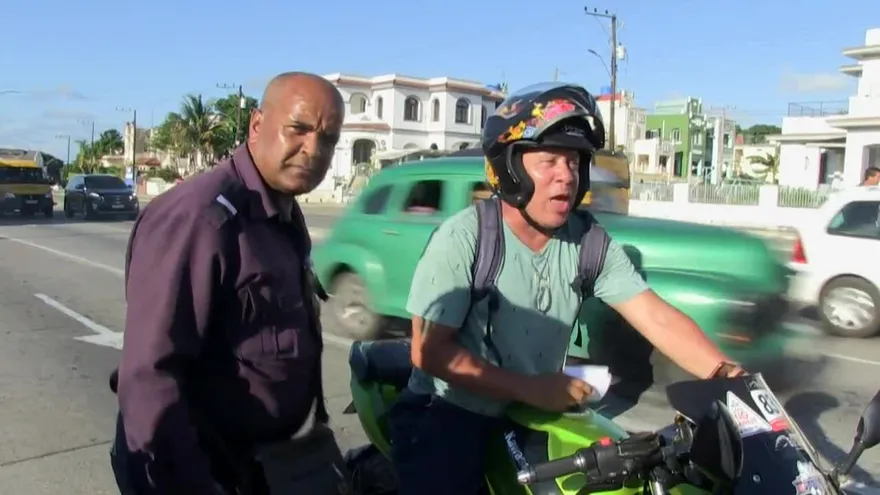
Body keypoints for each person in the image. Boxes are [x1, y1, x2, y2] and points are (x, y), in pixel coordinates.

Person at [389, 82, 746, 495]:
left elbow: (655, 316)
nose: (566, 176)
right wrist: (533, 387)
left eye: (575, 162)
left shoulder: (587, 241)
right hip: (450, 410)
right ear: (509, 168)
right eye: (550, 161)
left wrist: (727, 376)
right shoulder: (467, 236)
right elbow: (429, 351)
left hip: (529, 408)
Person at [112, 72, 348, 494]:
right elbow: (150, 377)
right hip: (206, 470)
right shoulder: (200, 218)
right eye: (299, 129)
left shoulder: (279, 210)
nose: (313, 150)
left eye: (328, 139)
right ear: (257, 125)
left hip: (268, 466)